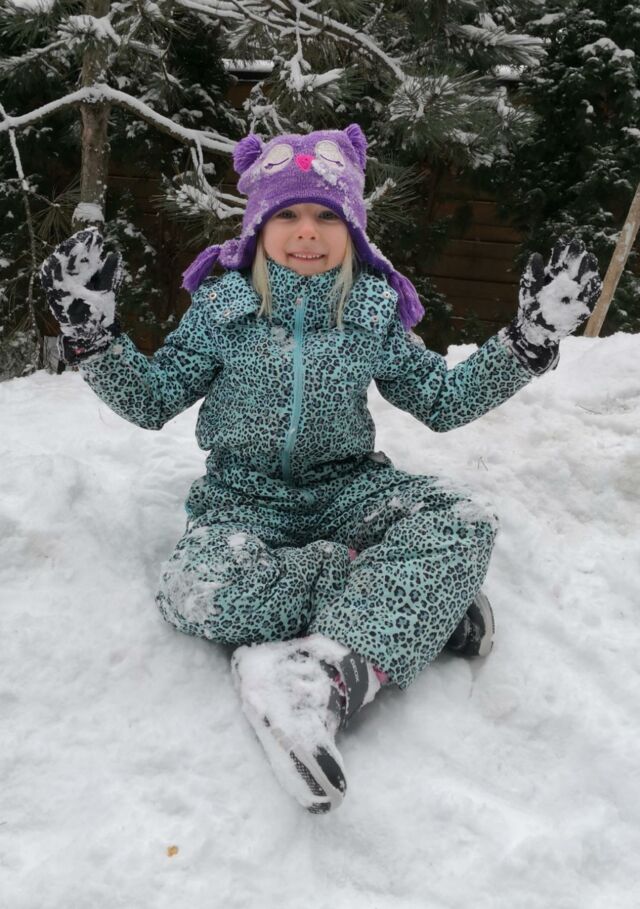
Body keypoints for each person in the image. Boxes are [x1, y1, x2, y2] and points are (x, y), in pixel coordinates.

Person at [40, 123, 602, 814]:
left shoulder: (370, 312)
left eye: (326, 216)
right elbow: (152, 398)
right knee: (196, 591)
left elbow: (442, 399)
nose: (307, 231)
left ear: (353, 231)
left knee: (463, 523)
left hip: (349, 492)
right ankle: (405, 596)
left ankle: (324, 672)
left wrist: (527, 342)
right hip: (244, 503)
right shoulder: (222, 309)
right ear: (259, 227)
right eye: (289, 215)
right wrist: (93, 339)